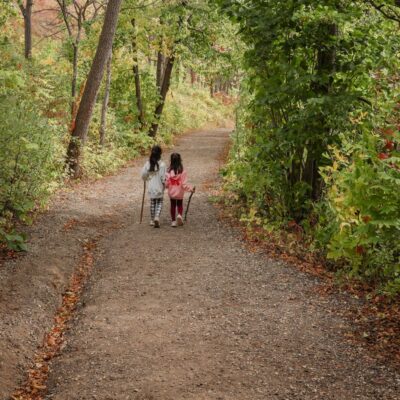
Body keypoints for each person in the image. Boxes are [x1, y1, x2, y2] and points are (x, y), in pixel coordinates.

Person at [166, 153, 195, 227]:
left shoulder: (168, 171)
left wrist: (164, 186)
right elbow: (184, 185)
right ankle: (179, 215)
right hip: (179, 192)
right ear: (180, 160)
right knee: (179, 204)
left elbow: (166, 183)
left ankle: (173, 221)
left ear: (171, 161)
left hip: (172, 192)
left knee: (172, 205)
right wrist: (190, 189)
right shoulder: (183, 171)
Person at [141, 145, 166, 228]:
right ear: (160, 153)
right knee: (159, 202)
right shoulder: (162, 164)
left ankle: (152, 220)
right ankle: (157, 217)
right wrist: (164, 184)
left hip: (151, 186)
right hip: (159, 185)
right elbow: (163, 177)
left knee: (152, 202)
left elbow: (144, 174)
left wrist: (145, 178)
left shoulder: (148, 163)